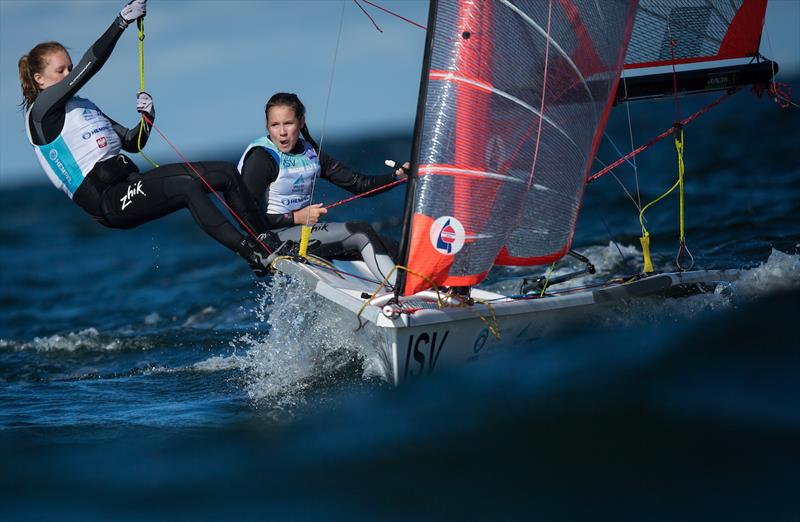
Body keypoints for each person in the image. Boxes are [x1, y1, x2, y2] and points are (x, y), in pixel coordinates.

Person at [18, 0, 280, 277]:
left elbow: (133, 142)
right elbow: (90, 66)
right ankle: (253, 255)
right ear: (40, 79)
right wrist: (121, 22)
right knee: (187, 188)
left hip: (130, 181)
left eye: (70, 68)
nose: (70, 75)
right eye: (61, 71)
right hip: (109, 201)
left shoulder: (84, 106)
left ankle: (265, 239)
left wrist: (148, 119)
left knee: (225, 172)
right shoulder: (42, 114)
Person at [238, 92, 409, 285]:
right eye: (275, 125)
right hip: (274, 240)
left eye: (288, 123)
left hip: (303, 235)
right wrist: (295, 218)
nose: (282, 132)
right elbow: (245, 217)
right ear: (267, 126)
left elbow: (359, 184)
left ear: (301, 122)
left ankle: (439, 290)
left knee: (395, 249)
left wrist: (396, 177)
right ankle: (401, 294)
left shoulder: (311, 153)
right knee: (360, 232)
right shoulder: (261, 158)